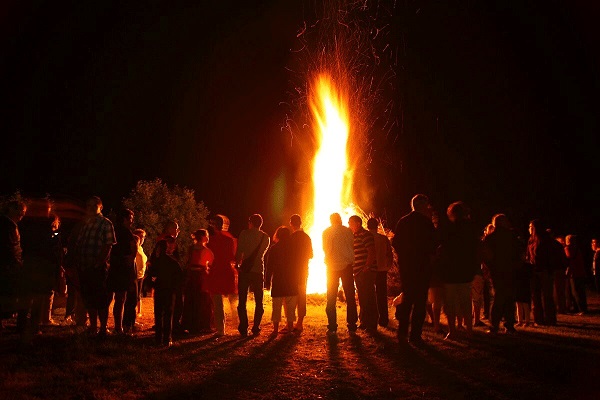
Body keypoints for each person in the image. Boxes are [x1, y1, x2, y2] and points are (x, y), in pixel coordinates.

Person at [392, 194, 436, 344]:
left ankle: (402, 333)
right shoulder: (426, 223)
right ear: (421, 205)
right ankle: (415, 335)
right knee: (419, 302)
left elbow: (396, 242)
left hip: (407, 268)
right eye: (426, 204)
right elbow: (433, 245)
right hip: (422, 267)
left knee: (408, 300)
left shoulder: (404, 221)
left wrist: (404, 258)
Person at [18, 197, 63, 337]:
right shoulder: (47, 224)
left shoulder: (26, 223)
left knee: (26, 296)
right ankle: (33, 327)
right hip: (42, 264)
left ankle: (22, 325)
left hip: (29, 262)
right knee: (37, 297)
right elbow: (53, 247)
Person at [74, 196, 116, 338]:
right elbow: (80, 244)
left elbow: (108, 245)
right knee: (89, 299)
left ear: (100, 207)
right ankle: (93, 327)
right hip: (84, 267)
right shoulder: (86, 224)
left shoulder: (105, 223)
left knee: (101, 299)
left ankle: (103, 328)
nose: (91, 208)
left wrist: (99, 262)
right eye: (89, 205)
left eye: (94, 205)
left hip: (97, 268)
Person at [438, 201, 481, 340]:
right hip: (465, 271)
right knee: (465, 302)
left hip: (450, 272)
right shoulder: (471, 229)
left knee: (450, 303)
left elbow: (442, 248)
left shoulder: (448, 229)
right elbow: (475, 249)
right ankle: (469, 330)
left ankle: (452, 331)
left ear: (452, 213)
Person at [481, 213, 524, 334]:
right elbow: (519, 253)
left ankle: (494, 324)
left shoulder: (490, 238)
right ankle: (509, 324)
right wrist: (516, 265)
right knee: (509, 297)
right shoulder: (512, 236)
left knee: (499, 297)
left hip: (497, 271)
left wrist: (491, 267)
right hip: (510, 270)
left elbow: (486, 256)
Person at [235, 213, 270, 336]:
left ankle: (243, 327)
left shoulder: (244, 234)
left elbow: (239, 252)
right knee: (259, 301)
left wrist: (237, 264)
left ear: (250, 222)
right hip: (258, 271)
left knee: (242, 300)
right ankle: (256, 327)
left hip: (245, 271)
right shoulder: (265, 237)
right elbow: (262, 254)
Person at [323, 213, 357, 334]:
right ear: (340, 220)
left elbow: (326, 248)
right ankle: (352, 324)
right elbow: (352, 245)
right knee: (350, 295)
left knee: (331, 296)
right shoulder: (348, 231)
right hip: (347, 266)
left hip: (332, 267)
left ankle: (332, 325)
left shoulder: (326, 232)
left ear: (331, 221)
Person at [527, 219, 564, 326]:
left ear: (535, 228)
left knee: (547, 296)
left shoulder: (546, 240)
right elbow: (529, 255)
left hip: (545, 271)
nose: (529, 229)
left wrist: (549, 268)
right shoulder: (531, 240)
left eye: (530, 227)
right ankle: (538, 319)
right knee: (536, 296)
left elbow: (552, 255)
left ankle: (550, 319)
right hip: (534, 271)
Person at [147, 236, 183, 347]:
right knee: (167, 314)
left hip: (162, 289)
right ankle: (166, 338)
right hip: (168, 290)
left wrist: (153, 284)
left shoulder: (157, 262)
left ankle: (160, 338)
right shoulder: (172, 262)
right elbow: (180, 276)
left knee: (159, 314)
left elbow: (151, 276)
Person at [205, 214, 238, 336]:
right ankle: (238, 324)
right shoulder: (230, 239)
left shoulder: (211, 240)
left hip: (216, 272)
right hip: (227, 271)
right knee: (233, 300)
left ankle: (221, 329)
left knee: (218, 303)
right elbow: (232, 256)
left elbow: (208, 257)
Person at [107, 208, 138, 335]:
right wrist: (131, 258)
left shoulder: (114, 229)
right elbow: (133, 246)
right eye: (130, 218)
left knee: (111, 297)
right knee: (120, 298)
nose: (132, 221)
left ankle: (111, 325)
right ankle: (118, 327)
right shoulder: (125, 232)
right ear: (125, 218)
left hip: (114, 265)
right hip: (121, 266)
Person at [265, 226, 297, 335]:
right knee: (291, 306)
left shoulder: (274, 248)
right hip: (291, 280)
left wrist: (267, 282)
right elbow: (298, 265)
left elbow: (269, 267)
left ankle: (275, 330)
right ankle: (290, 328)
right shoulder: (294, 248)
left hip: (278, 280)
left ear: (278, 235)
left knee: (276, 306)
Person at [0, 200, 27, 334]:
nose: (22, 214)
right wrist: (18, 264)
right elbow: (10, 248)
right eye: (20, 210)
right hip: (8, 266)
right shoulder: (7, 225)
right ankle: (21, 326)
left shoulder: (9, 224)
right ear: (10, 209)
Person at [182, 229, 215, 334]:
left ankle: (191, 324)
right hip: (201, 277)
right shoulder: (207, 251)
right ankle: (202, 324)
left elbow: (187, 262)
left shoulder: (191, 249)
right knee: (202, 301)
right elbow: (210, 264)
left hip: (192, 276)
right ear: (204, 237)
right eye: (207, 235)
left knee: (192, 300)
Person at [348, 215, 377, 332]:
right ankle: (364, 321)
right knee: (362, 297)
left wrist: (367, 266)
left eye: (351, 222)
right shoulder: (354, 235)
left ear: (358, 223)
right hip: (358, 272)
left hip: (366, 272)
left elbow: (371, 251)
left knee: (368, 296)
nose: (349, 224)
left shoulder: (365, 235)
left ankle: (372, 323)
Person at [288, 214, 313, 332]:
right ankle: (300, 322)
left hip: (292, 271)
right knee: (302, 296)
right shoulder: (307, 237)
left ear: (291, 223)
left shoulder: (290, 238)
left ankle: (290, 322)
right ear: (301, 223)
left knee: (291, 296)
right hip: (303, 271)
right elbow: (311, 255)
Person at [367, 217, 393, 328]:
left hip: (369, 270)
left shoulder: (366, 238)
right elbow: (390, 254)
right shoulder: (383, 239)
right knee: (382, 295)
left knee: (369, 295)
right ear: (377, 226)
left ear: (367, 227)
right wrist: (388, 266)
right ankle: (383, 319)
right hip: (382, 270)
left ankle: (370, 318)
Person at [564, 234, 588, 314]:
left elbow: (568, 257)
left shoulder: (568, 249)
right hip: (580, 272)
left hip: (574, 273)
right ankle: (578, 308)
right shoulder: (577, 248)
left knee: (576, 292)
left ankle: (581, 309)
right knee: (580, 292)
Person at [133, 228, 148, 318]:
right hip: (135, 275)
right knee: (134, 296)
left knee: (138, 294)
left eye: (143, 237)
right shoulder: (135, 247)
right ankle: (134, 314)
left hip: (140, 275)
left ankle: (139, 312)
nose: (141, 239)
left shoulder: (141, 248)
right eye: (140, 236)